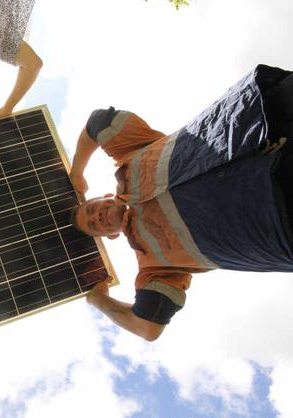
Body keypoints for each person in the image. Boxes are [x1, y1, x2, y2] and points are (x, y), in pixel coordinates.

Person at [69, 64, 293, 341]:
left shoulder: (128, 155)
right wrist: (99, 301)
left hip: (263, 116)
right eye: (94, 226)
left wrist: (76, 172)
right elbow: (147, 327)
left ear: (103, 197)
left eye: (91, 209)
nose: (97, 217)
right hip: (277, 216)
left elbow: (98, 123)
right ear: (111, 236)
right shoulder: (153, 266)